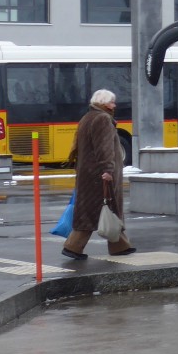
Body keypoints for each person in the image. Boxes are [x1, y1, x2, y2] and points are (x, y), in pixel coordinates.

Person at [62, 89, 136, 259]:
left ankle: (120, 246)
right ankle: (73, 247)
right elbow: (104, 148)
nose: (115, 105)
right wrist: (108, 170)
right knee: (95, 211)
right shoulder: (103, 119)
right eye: (112, 102)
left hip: (88, 173)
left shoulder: (88, 117)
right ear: (103, 103)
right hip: (99, 174)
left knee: (107, 209)